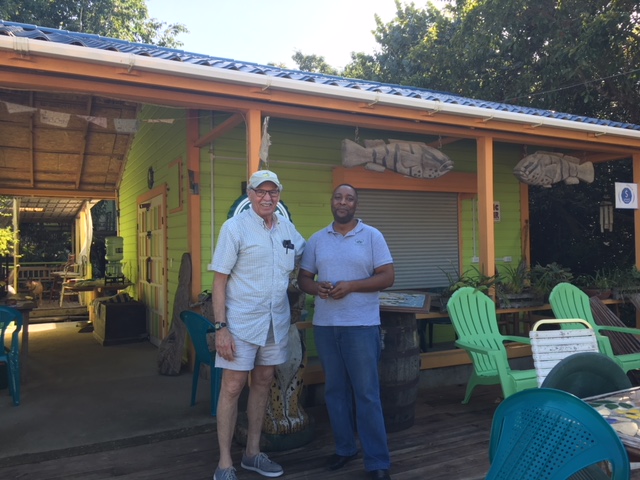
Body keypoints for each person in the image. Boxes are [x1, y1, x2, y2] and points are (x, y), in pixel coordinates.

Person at [211, 170, 305, 480]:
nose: (267, 197)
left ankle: (252, 453)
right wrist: (221, 327)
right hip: (241, 323)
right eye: (261, 191)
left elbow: (306, 255)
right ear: (250, 194)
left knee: (263, 381)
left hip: (275, 322)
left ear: (279, 194)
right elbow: (219, 281)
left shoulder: (287, 228)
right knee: (232, 387)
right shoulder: (234, 228)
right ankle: (225, 463)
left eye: (273, 192)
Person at [297, 184, 395, 480]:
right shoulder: (316, 239)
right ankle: (345, 448)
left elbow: (387, 277)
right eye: (338, 197)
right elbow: (304, 278)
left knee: (367, 394)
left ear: (356, 204)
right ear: (332, 202)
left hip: (361, 326)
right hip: (326, 327)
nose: (343, 202)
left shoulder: (372, 236)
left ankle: (377, 461)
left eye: (349, 198)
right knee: (335, 391)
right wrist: (317, 288)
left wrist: (352, 286)